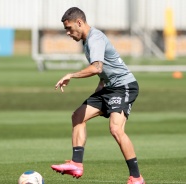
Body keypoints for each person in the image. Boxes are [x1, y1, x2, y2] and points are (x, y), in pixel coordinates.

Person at [51, 7, 145, 184]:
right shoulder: (86, 41)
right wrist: (99, 92)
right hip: (108, 88)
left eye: (69, 28)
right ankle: (76, 164)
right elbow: (105, 72)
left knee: (116, 129)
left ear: (79, 23)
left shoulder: (95, 38)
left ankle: (136, 177)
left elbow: (97, 68)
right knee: (78, 116)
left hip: (124, 86)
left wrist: (71, 75)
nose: (68, 33)